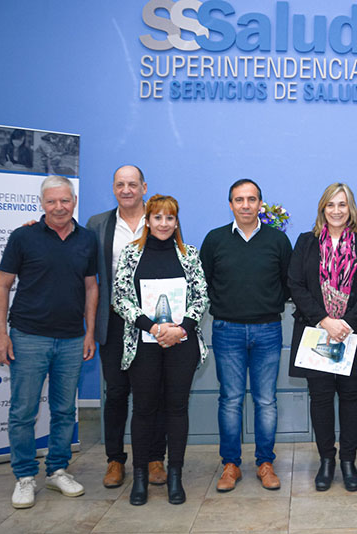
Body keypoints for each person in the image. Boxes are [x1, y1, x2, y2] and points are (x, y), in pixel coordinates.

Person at [0, 175, 98, 509]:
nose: (58, 207)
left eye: (64, 201)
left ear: (74, 202)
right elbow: (2, 286)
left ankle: (56, 470)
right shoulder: (23, 237)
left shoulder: (87, 239)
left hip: (71, 339)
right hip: (28, 337)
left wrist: (90, 332)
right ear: (42, 204)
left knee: (65, 411)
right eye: (51, 201)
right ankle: (24, 476)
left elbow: (92, 287)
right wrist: (1, 335)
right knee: (23, 411)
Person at [112, 194, 208, 505]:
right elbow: (120, 297)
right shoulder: (131, 254)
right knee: (143, 410)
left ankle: (175, 475)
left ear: (176, 221)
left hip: (181, 343)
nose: (164, 224)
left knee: (177, 409)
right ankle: (140, 477)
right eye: (158, 218)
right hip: (144, 345)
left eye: (170, 218)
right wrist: (153, 328)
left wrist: (180, 329)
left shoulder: (189, 254)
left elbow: (200, 297)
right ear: (148, 221)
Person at [288, 183, 357, 492]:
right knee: (321, 398)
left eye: (343, 204)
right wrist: (325, 320)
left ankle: (348, 462)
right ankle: (327, 460)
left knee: (352, 398)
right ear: (323, 209)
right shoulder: (306, 243)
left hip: (353, 335)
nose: (337, 210)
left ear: (350, 208)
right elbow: (295, 284)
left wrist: (346, 323)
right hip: (316, 333)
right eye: (331, 205)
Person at [200, 179, 292, 492]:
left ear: (260, 204)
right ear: (230, 204)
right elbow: (205, 282)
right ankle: (231, 465)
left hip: (268, 329)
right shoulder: (214, 240)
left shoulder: (278, 240)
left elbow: (287, 281)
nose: (245, 205)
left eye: (251, 199)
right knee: (230, 400)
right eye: (239, 200)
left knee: (266, 400)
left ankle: (265, 463)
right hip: (227, 330)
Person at [86, 165, 168, 489]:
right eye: (120, 184)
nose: (126, 190)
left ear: (144, 186)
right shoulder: (98, 225)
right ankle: (115, 460)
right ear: (114, 188)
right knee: (117, 393)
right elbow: (88, 276)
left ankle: (153, 458)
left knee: (154, 395)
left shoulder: (160, 217)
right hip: (115, 322)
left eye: (132, 184)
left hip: (153, 324)